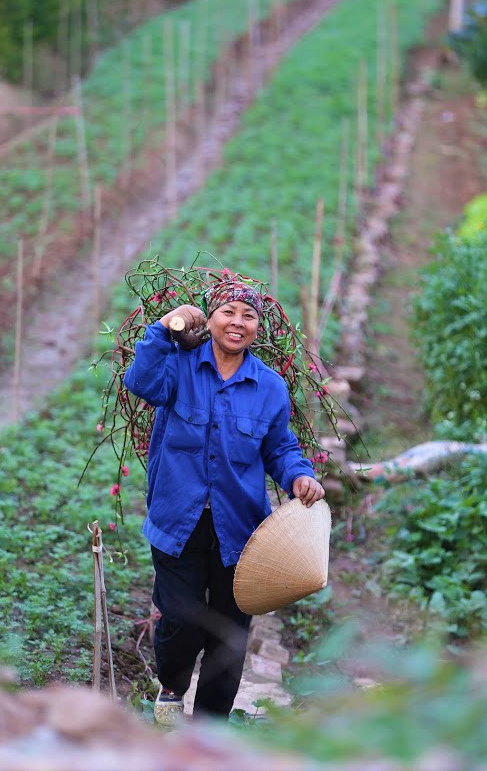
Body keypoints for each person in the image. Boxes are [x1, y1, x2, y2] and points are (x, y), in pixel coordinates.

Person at [123, 279, 325, 725]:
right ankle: (172, 687)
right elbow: (139, 381)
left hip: (241, 530)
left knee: (230, 632)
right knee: (181, 617)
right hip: (178, 519)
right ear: (210, 319)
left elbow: (279, 448)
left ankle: (210, 730)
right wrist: (163, 327)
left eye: (248, 316)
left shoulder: (269, 387)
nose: (238, 323)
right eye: (228, 312)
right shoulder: (177, 368)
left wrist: (300, 476)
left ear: (258, 328)